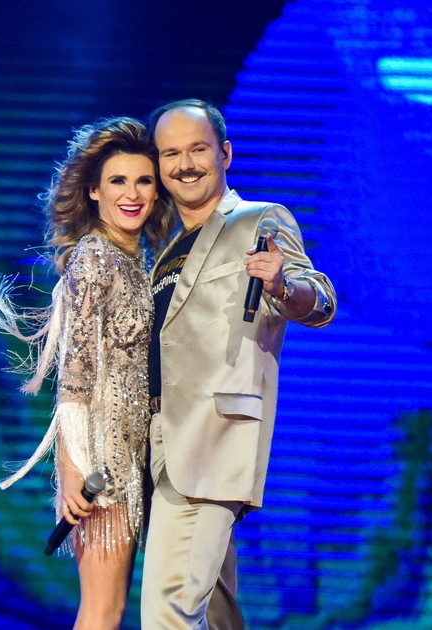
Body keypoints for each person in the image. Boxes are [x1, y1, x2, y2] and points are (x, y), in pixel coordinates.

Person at [140, 99, 337, 629]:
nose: (185, 164)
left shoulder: (258, 219)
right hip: (161, 439)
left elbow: (321, 301)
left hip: (213, 438)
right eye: (171, 154)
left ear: (225, 154)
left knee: (168, 612)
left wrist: (282, 285)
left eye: (198, 149)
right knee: (216, 611)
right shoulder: (164, 247)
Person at [0, 116, 172, 629]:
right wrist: (74, 470)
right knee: (101, 611)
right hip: (100, 458)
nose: (132, 194)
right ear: (94, 190)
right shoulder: (94, 258)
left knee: (109, 610)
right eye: (118, 181)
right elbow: (74, 377)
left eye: (143, 181)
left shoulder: (135, 259)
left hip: (130, 451)